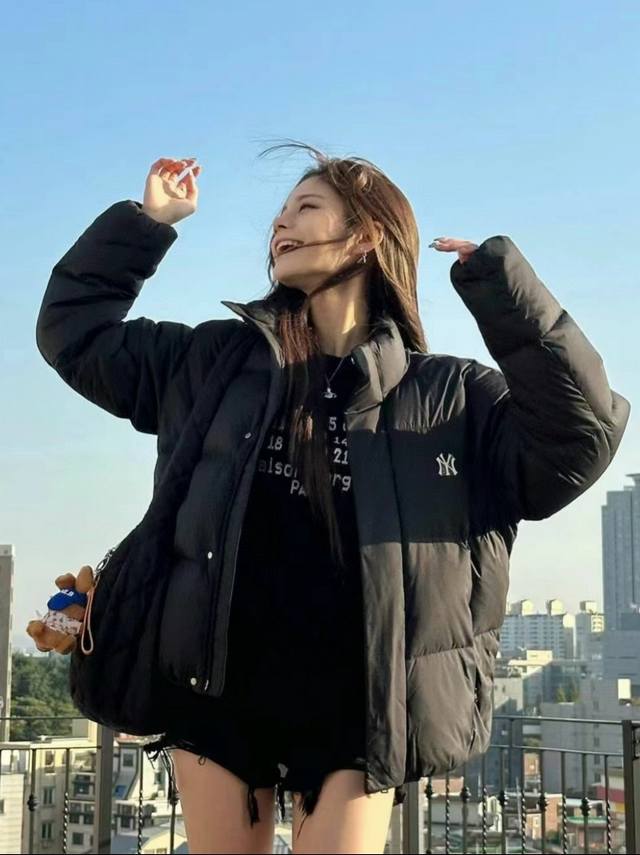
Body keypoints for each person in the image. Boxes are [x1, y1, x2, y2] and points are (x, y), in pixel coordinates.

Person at [35, 141, 630, 854]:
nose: (280, 224)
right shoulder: (212, 362)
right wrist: (146, 222)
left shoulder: (449, 396)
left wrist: (504, 290)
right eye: (280, 212)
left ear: (367, 234)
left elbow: (580, 438)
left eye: (306, 207)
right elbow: (74, 335)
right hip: (215, 689)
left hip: (360, 705)